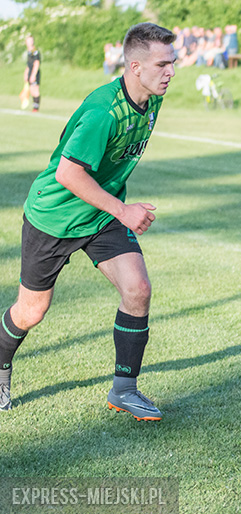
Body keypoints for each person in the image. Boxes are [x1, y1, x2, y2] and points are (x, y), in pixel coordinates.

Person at [0, 22, 176, 420]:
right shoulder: (103, 111)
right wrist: (124, 210)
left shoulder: (152, 97)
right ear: (134, 67)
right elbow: (67, 173)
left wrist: (114, 209)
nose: (171, 72)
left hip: (99, 215)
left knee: (138, 289)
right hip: (55, 217)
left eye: (172, 62)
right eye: (162, 64)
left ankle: (124, 390)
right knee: (31, 312)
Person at [23, 36, 41, 112]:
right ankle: (34, 106)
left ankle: (36, 107)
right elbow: (28, 65)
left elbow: (36, 63)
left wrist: (33, 75)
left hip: (35, 73)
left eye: (30, 41)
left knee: (35, 89)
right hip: (30, 72)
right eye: (27, 41)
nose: (29, 43)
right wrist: (26, 73)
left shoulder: (35, 51)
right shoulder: (29, 52)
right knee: (31, 89)